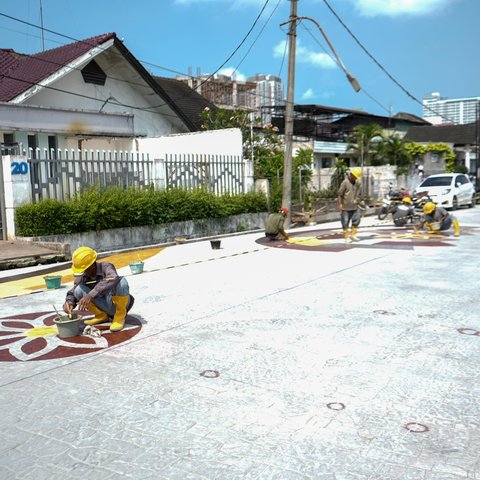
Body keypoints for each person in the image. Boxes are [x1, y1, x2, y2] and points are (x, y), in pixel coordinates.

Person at [63, 246, 135, 332]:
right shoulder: (83, 277)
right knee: (78, 289)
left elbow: (113, 277)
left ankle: (119, 316)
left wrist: (90, 294)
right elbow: (72, 293)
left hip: (114, 304)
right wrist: (69, 303)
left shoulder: (106, 267)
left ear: (92, 265)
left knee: (122, 282)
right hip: (102, 306)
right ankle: (101, 316)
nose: (83, 273)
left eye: (84, 270)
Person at [338, 167, 363, 243]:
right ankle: (346, 238)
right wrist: (340, 205)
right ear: (351, 175)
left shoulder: (357, 183)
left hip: (355, 206)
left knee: (357, 220)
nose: (356, 178)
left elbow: (359, 193)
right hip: (346, 207)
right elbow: (340, 194)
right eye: (355, 177)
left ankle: (353, 234)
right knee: (345, 222)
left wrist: (359, 201)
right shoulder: (345, 182)